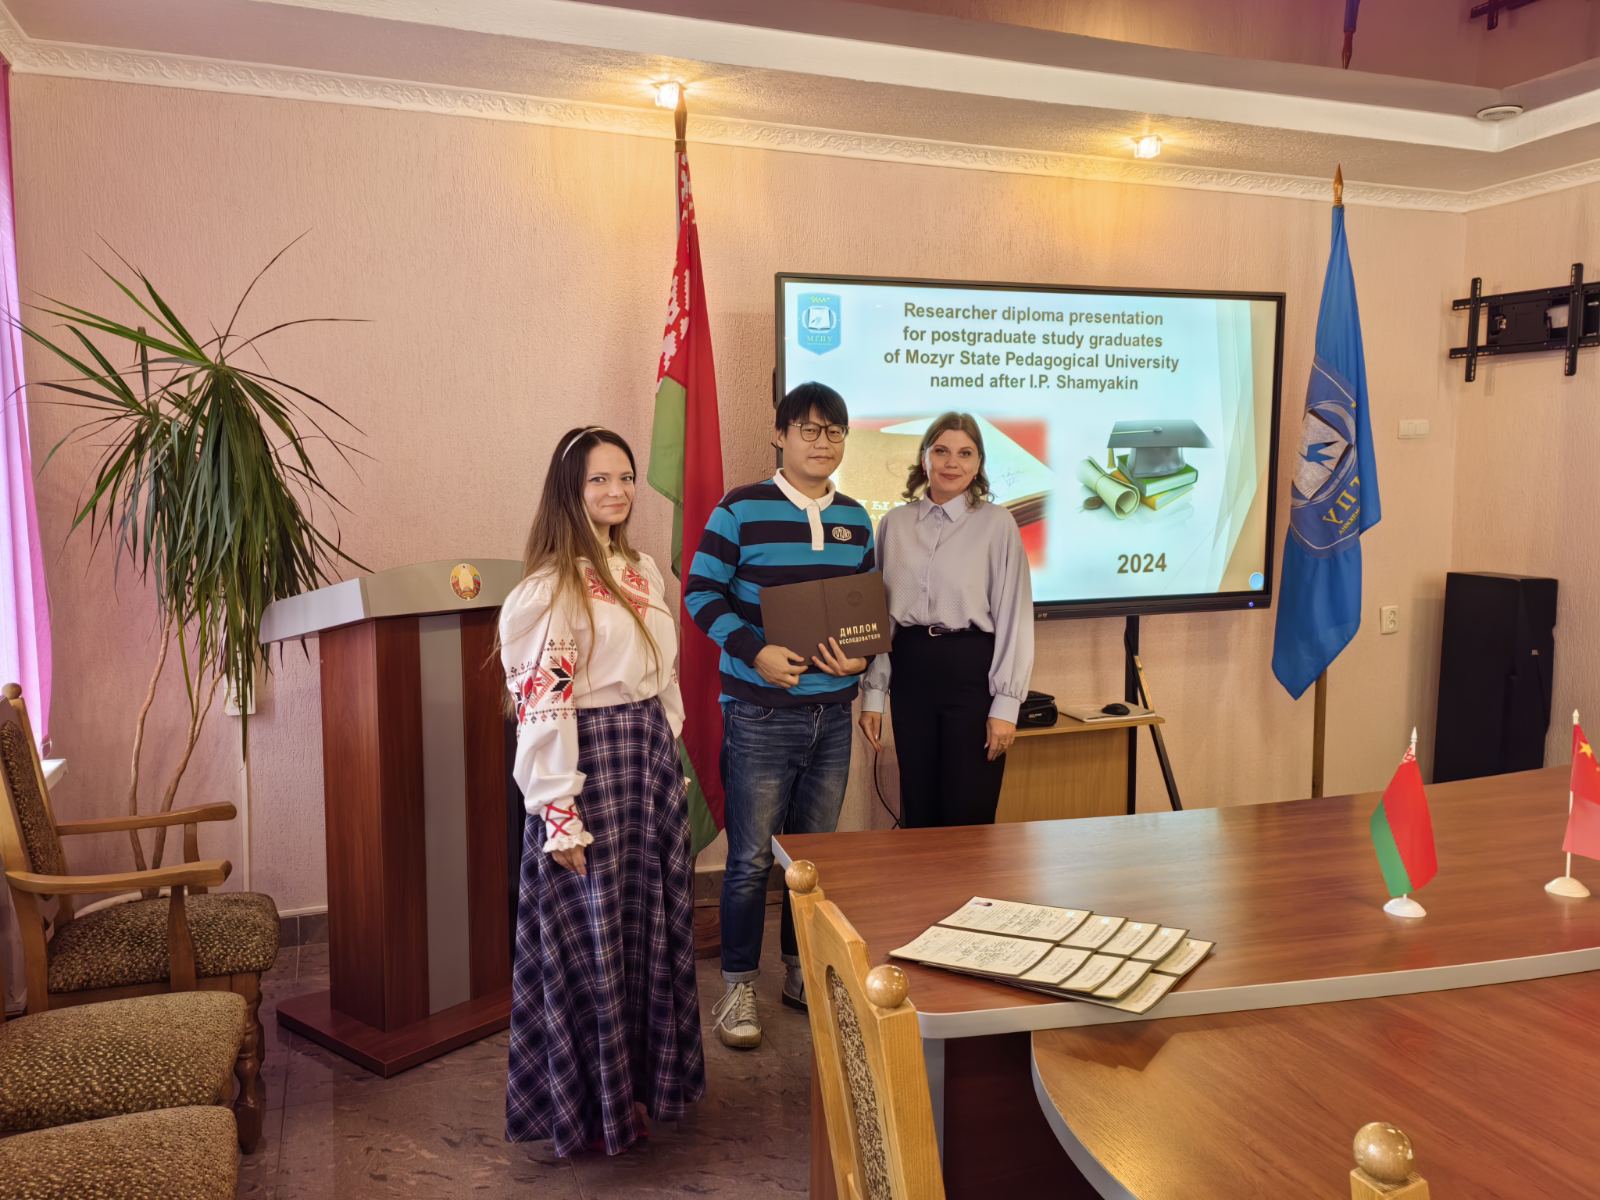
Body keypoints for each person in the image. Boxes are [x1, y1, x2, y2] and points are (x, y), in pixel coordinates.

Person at [499, 425, 704, 1157]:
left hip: (644, 761)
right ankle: (590, 1108)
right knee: (590, 938)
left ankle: (641, 1090)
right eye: (598, 480)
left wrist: (666, 748)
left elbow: (664, 673)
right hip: (586, 767)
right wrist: (559, 813)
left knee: (644, 931)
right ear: (570, 490)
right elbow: (543, 706)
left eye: (624, 477)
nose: (617, 491)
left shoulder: (643, 570)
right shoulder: (548, 589)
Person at [685, 381, 875, 1050]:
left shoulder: (857, 518)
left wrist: (861, 658)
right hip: (760, 715)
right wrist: (756, 652)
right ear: (780, 435)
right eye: (808, 430)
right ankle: (738, 984)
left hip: (832, 716)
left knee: (813, 859)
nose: (822, 443)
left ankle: (801, 972)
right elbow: (701, 594)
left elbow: (863, 611)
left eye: (834, 431)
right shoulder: (740, 509)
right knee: (748, 861)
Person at [859, 412, 1034, 828]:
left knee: (968, 808)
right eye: (941, 451)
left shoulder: (997, 524)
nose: (952, 462)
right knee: (919, 808)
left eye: (965, 453)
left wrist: (1006, 705)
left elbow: (1015, 615)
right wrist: (873, 695)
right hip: (911, 672)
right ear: (924, 458)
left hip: (971, 673)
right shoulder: (894, 524)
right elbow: (880, 618)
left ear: (978, 464)